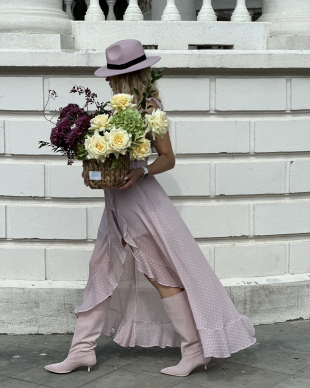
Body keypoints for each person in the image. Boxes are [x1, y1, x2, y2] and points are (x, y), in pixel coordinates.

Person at [44, 39, 256, 377]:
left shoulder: (150, 109)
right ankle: (81, 352)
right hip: (115, 204)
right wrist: (92, 161)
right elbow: (109, 156)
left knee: (160, 275)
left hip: (141, 206)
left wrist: (141, 169)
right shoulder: (113, 111)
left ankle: (195, 350)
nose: (110, 82)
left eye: (115, 77)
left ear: (129, 77)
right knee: (100, 271)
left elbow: (168, 158)